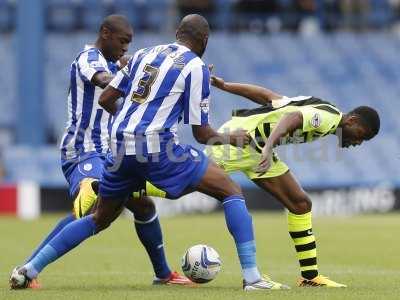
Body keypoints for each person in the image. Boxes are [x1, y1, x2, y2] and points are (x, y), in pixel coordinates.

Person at [10, 14, 290, 291]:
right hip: (155, 148)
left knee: (99, 218)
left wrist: (133, 124)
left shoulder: (144, 54)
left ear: (178, 33)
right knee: (230, 190)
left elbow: (107, 98)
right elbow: (202, 134)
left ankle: (29, 269)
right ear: (204, 40)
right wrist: (233, 139)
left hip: (118, 147)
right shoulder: (196, 67)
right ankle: (253, 279)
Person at [10, 14, 190, 289]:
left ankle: (163, 274)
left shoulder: (116, 62)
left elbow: (135, 70)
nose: (125, 48)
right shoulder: (89, 58)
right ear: (105, 33)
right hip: (83, 150)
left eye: (129, 43)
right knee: (91, 208)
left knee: (143, 206)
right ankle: (27, 271)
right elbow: (105, 79)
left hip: (109, 152)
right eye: (123, 41)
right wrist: (131, 81)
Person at [203, 75, 380, 287]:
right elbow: (292, 119)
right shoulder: (327, 118)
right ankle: (150, 187)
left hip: (255, 148)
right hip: (238, 142)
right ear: (351, 121)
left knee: (300, 203)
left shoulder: (324, 110)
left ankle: (310, 277)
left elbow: (269, 97)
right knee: (184, 182)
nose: (358, 142)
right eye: (360, 135)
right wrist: (269, 148)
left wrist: (226, 86)